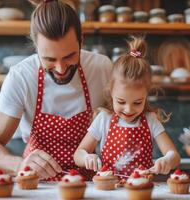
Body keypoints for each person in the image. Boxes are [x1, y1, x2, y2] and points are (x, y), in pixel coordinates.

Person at [0, 0, 112, 181]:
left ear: (81, 41)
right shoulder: (21, 77)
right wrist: (20, 165)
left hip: (88, 184)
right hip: (35, 183)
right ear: (36, 47)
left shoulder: (102, 68)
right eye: (49, 59)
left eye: (69, 56)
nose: (61, 69)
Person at [74, 36, 180, 176]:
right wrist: (87, 157)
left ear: (146, 95)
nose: (129, 110)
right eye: (121, 102)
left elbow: (175, 157)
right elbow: (78, 155)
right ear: (111, 92)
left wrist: (167, 160)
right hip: (110, 190)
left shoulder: (151, 120)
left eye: (137, 102)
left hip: (141, 190)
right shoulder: (104, 119)